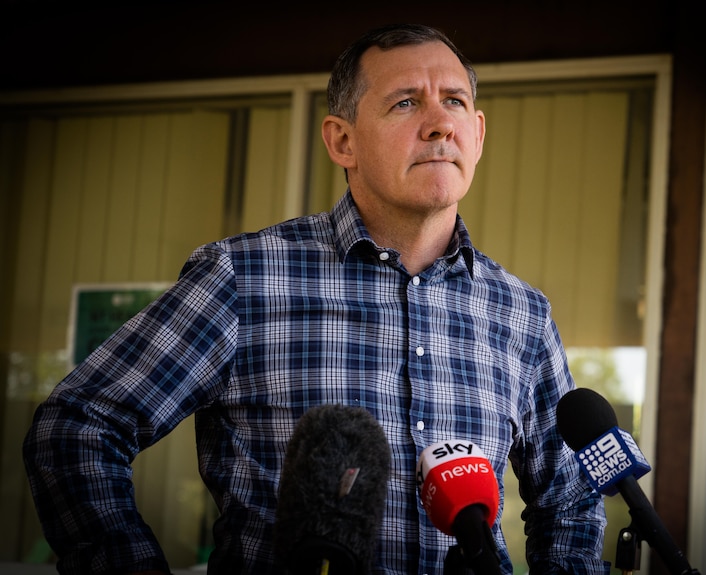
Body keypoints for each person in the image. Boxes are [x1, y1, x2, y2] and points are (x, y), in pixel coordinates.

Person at [23, 23, 609, 575]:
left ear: (477, 135)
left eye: (453, 101)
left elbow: (574, 504)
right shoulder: (242, 277)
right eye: (406, 102)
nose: (438, 124)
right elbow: (78, 426)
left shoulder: (524, 313)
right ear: (342, 140)